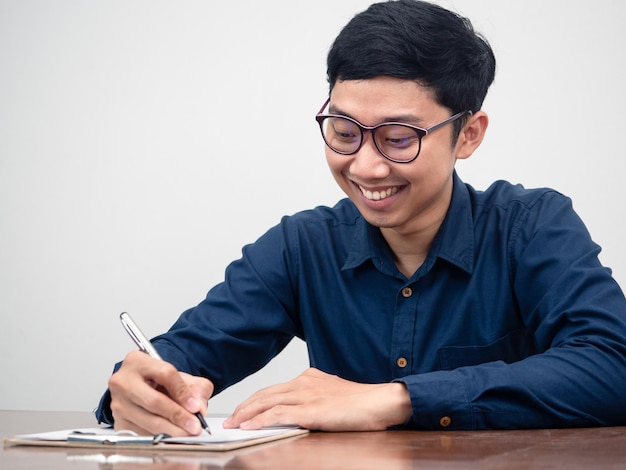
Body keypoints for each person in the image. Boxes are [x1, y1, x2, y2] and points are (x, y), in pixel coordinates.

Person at [96, 0, 626, 435]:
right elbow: (185, 355)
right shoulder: (301, 246)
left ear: (468, 134)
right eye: (345, 132)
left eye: (399, 138)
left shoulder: (530, 226)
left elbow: (612, 367)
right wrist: (140, 389)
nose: (366, 167)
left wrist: (396, 400)